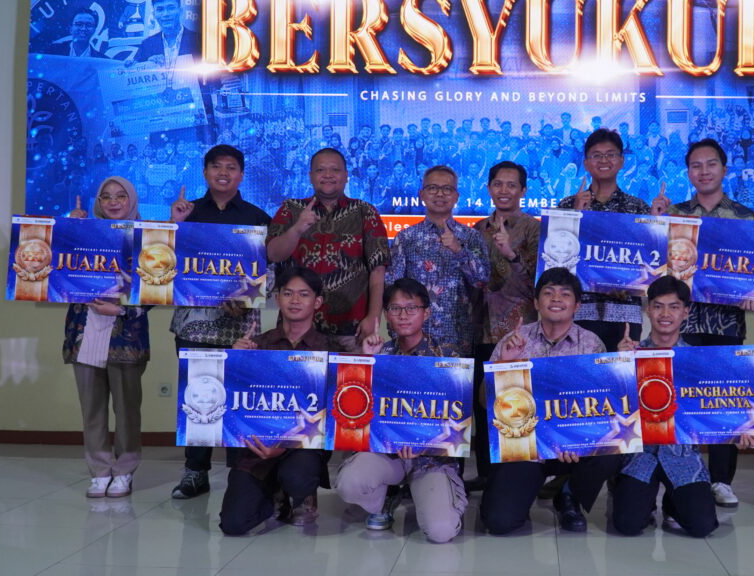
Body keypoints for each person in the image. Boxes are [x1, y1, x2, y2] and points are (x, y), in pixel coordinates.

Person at [651, 138, 754, 508]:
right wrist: (655, 221)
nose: (704, 171)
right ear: (688, 173)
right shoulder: (676, 214)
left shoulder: (746, 218)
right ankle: (680, 474)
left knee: (724, 399)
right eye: (696, 165)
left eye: (711, 164)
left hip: (727, 324)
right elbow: (656, 266)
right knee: (680, 398)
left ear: (724, 169)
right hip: (682, 324)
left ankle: (721, 480)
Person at [480, 267, 623, 535]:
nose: (556, 298)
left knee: (613, 449)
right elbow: (484, 403)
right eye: (548, 292)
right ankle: (529, 485)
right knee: (499, 522)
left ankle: (569, 494)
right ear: (536, 303)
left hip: (574, 447)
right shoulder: (514, 341)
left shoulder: (591, 345)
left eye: (565, 294)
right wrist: (504, 366)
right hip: (526, 447)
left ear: (577, 306)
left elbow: (603, 409)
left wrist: (577, 441)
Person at [170, 144, 272, 500]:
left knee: (238, 397)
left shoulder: (257, 217)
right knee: (197, 397)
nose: (223, 172)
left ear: (241, 174)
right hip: (193, 324)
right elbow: (163, 261)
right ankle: (195, 472)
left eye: (231, 167)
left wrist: (246, 297)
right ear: (205, 172)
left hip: (240, 326)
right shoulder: (189, 213)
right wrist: (174, 225)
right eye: (216, 166)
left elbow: (271, 268)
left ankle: (241, 475)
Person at [335, 278, 467, 543]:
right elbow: (352, 413)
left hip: (431, 459)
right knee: (349, 483)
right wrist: (366, 360)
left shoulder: (448, 357)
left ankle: (428, 497)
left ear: (426, 313)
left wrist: (424, 444)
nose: (403, 315)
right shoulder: (379, 351)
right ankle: (384, 499)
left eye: (412, 308)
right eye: (395, 309)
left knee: (441, 531)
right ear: (386, 314)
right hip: (387, 455)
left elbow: (457, 420)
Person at [219, 267, 337, 535]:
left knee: (298, 476)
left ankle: (300, 494)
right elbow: (231, 404)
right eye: (288, 293)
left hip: (304, 446)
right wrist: (234, 360)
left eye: (304, 294)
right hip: (258, 446)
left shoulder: (330, 350)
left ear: (317, 302)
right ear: (278, 298)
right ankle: (275, 495)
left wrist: (284, 447)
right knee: (233, 525)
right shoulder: (257, 345)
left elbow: (334, 414)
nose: (295, 300)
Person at [614, 276, 719, 537]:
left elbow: (716, 411)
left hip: (683, 456)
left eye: (673, 307)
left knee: (702, 526)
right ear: (648, 310)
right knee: (627, 525)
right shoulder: (630, 354)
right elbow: (612, 411)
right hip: (641, 456)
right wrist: (618, 365)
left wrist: (743, 431)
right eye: (658, 306)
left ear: (685, 312)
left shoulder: (699, 361)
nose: (665, 314)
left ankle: (674, 503)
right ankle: (646, 503)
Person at [63, 177, 148, 498]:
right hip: (84, 332)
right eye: (106, 197)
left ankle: (124, 470)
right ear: (98, 202)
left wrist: (123, 309)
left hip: (126, 335)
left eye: (120, 196)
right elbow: (55, 267)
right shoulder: (83, 233)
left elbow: (159, 288)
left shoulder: (146, 238)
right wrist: (69, 228)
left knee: (127, 411)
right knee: (92, 409)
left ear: (131, 200)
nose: (113, 202)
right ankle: (99, 471)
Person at [266, 148, 390, 352]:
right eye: (320, 170)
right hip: (296, 330)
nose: (328, 175)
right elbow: (273, 254)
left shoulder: (365, 212)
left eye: (335, 170)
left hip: (352, 330)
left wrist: (373, 317)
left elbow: (378, 270)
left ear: (346, 175)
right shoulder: (290, 209)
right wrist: (297, 229)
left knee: (350, 374)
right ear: (310, 176)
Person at [469, 161, 540, 490]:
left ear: (523, 190)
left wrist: (511, 254)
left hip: (517, 331)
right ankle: (486, 475)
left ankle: (513, 480)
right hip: (480, 328)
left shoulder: (534, 229)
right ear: (488, 188)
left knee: (515, 403)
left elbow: (539, 283)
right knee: (483, 402)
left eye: (512, 185)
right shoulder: (476, 229)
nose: (504, 190)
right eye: (498, 184)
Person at [557, 128, 651, 351]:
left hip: (625, 314)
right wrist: (576, 216)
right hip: (578, 312)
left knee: (622, 372)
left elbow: (649, 264)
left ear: (621, 161)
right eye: (596, 155)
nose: (604, 160)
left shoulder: (638, 208)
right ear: (586, 163)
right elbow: (556, 262)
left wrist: (658, 225)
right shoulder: (567, 206)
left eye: (610, 155)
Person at [385, 165, 490, 355]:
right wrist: (395, 329)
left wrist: (459, 250)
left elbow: (482, 282)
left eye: (447, 189)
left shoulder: (471, 237)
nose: (440, 194)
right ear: (422, 194)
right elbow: (392, 287)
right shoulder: (406, 238)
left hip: (459, 337)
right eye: (433, 188)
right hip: (413, 339)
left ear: (456, 196)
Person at [132, 0, 201, 66]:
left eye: (171, 8)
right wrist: (147, 64)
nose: (165, 14)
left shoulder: (199, 40)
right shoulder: (146, 45)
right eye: (160, 9)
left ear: (180, 11)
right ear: (154, 14)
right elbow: (134, 69)